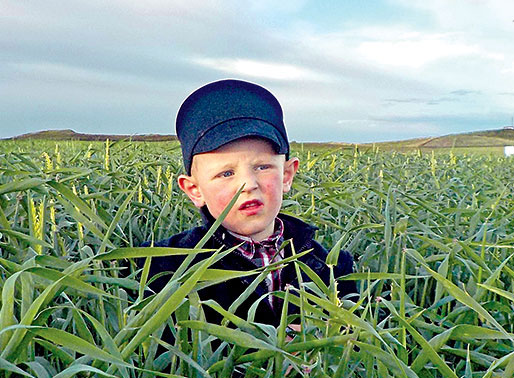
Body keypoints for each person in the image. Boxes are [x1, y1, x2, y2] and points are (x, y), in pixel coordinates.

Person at [144, 79, 356, 326]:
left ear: (287, 175)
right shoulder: (162, 268)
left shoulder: (332, 266)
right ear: (194, 189)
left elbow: (360, 344)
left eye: (262, 167)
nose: (248, 185)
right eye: (226, 173)